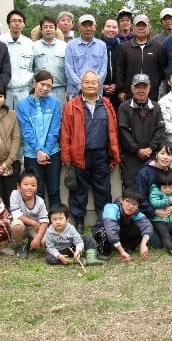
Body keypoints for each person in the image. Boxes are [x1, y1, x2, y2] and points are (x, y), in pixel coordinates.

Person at [60, 70, 120, 233]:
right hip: (79, 155)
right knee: (79, 190)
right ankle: (79, 221)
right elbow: (65, 133)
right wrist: (66, 158)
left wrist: (114, 155)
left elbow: (113, 131)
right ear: (81, 84)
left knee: (103, 190)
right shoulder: (72, 105)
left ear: (99, 84)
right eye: (87, 82)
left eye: (94, 82)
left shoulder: (107, 104)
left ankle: (103, 221)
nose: (91, 85)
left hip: (101, 155)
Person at [16, 71, 62, 208]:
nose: (45, 88)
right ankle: (40, 224)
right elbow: (26, 130)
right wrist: (38, 151)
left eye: (49, 86)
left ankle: (56, 222)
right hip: (32, 154)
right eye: (42, 84)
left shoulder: (54, 103)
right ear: (35, 83)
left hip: (52, 153)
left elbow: (55, 129)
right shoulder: (23, 104)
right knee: (37, 191)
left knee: (54, 189)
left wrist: (46, 151)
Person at [118, 73, 165, 189]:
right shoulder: (124, 107)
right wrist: (137, 149)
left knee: (153, 188)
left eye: (144, 87)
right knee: (132, 189)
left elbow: (160, 129)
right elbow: (123, 131)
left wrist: (151, 148)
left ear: (149, 89)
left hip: (152, 155)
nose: (141, 90)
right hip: (131, 157)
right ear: (132, 89)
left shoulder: (156, 107)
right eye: (137, 87)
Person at [116, 14, 167, 103]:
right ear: (133, 28)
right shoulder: (125, 47)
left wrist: (155, 85)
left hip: (152, 94)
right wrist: (121, 90)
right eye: (138, 25)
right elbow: (120, 69)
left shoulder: (157, 47)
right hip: (130, 94)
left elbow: (162, 70)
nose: (141, 28)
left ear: (148, 28)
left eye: (144, 26)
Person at [92, 188, 152, 262]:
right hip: (103, 230)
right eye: (128, 201)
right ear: (121, 200)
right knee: (104, 232)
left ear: (138, 206)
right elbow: (111, 229)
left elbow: (147, 226)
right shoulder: (111, 208)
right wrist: (122, 252)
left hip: (118, 231)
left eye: (135, 204)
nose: (131, 206)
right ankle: (104, 250)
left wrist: (143, 244)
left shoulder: (135, 212)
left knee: (138, 228)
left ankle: (125, 246)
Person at [9, 169, 49, 259]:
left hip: (34, 228)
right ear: (19, 186)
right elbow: (17, 215)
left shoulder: (40, 201)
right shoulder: (15, 195)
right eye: (26, 184)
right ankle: (20, 246)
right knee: (16, 226)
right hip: (22, 224)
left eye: (33, 185)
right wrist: (34, 223)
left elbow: (45, 221)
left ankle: (32, 241)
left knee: (45, 242)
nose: (29, 187)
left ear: (37, 187)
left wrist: (38, 238)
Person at [64, 14, 107, 98]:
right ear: (79, 27)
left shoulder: (102, 46)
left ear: (95, 27)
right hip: (76, 92)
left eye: (90, 25)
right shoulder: (70, 46)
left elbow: (103, 70)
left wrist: (94, 86)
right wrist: (81, 86)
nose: (88, 29)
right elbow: (69, 69)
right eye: (84, 25)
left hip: (96, 93)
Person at [0, 9, 34, 110]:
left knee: (23, 120)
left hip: (23, 90)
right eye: (14, 21)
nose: (17, 24)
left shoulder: (29, 43)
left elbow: (32, 68)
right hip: (4, 90)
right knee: (5, 121)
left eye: (20, 21)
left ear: (24, 24)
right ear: (8, 24)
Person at [32, 16, 68, 107]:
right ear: (41, 29)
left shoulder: (64, 47)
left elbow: (68, 70)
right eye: (45, 27)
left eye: (51, 27)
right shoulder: (33, 47)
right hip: (40, 90)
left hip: (59, 90)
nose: (48, 30)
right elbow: (30, 69)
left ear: (55, 29)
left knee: (59, 118)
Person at [101, 18, 122, 111]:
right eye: (108, 26)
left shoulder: (122, 47)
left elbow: (123, 69)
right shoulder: (96, 46)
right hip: (99, 90)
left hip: (117, 92)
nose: (111, 30)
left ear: (118, 30)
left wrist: (117, 84)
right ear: (103, 29)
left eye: (114, 27)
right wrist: (101, 85)